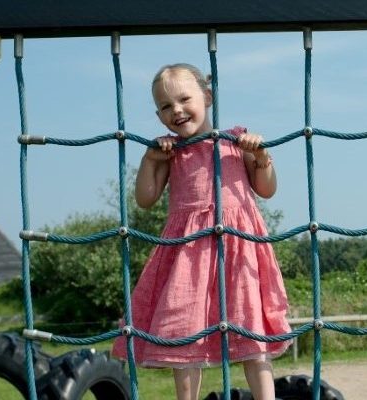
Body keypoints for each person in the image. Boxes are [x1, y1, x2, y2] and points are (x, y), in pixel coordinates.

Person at [112, 63, 290, 400]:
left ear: (206, 96)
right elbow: (145, 199)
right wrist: (150, 161)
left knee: (250, 326)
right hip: (188, 251)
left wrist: (261, 156)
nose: (176, 110)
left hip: (238, 248)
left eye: (183, 99)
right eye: (165, 106)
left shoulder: (235, 141)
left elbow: (266, 190)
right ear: (158, 114)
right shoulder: (171, 152)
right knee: (183, 325)